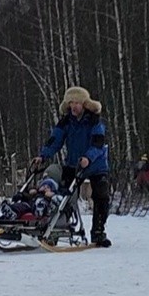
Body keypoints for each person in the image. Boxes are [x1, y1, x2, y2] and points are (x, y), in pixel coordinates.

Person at [32, 86, 112, 247]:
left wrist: (88, 158)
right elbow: (55, 140)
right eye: (71, 103)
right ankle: (58, 227)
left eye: (77, 103)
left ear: (84, 104)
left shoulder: (95, 121)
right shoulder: (66, 122)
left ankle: (98, 231)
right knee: (63, 195)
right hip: (74, 164)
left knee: (101, 194)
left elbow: (98, 144)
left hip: (95, 164)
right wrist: (43, 155)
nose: (73, 106)